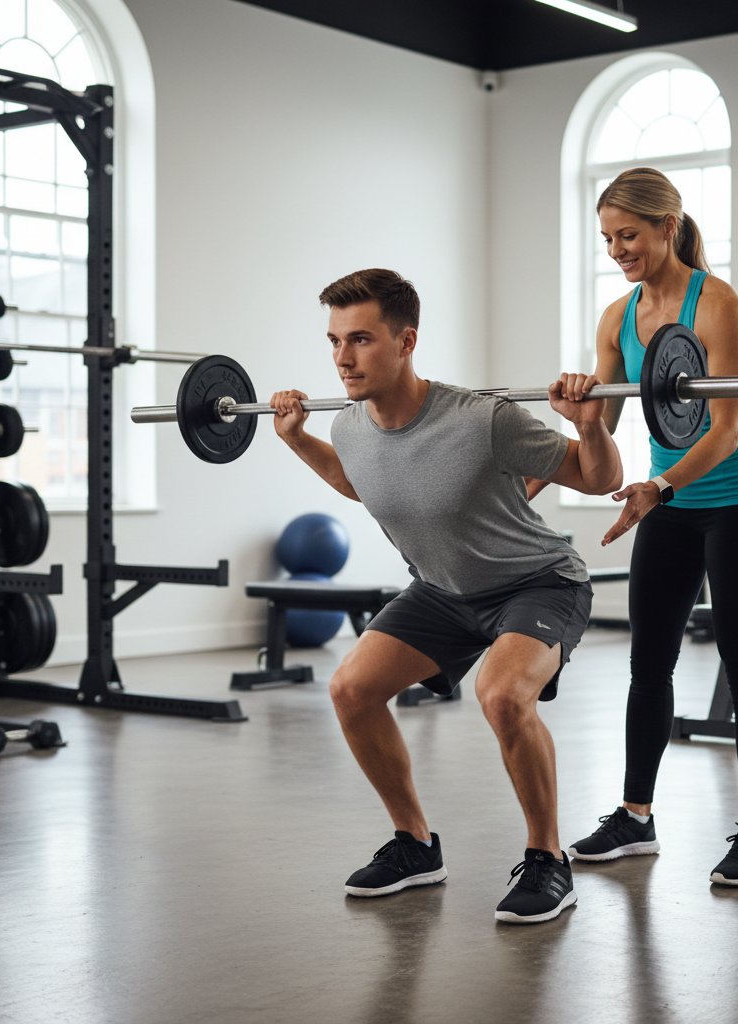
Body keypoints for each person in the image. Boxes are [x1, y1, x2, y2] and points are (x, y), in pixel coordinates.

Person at [270, 268, 622, 923]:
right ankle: (415, 845)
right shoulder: (348, 427)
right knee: (351, 690)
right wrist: (297, 441)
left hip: (537, 582)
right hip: (442, 592)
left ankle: (548, 859)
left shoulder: (483, 419)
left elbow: (598, 478)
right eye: (334, 341)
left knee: (502, 694)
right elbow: (359, 482)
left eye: (362, 340)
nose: (343, 358)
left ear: (406, 342)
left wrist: (589, 426)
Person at [563, 167, 738, 886]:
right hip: (669, 505)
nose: (617, 249)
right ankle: (635, 817)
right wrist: (581, 411)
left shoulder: (715, 303)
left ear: (667, 225)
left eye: (629, 234)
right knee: (647, 664)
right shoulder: (616, 318)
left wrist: (657, 485)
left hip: (734, 500)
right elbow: (605, 435)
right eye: (607, 238)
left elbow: (724, 428)